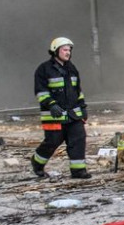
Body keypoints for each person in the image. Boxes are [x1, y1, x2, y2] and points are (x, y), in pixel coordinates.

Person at [31, 37, 91, 179]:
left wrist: (83, 107)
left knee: (78, 139)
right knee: (53, 142)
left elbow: (78, 91)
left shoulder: (72, 68)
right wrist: (51, 105)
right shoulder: (44, 69)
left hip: (73, 114)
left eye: (69, 50)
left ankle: (78, 171)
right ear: (55, 51)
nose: (68, 52)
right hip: (54, 115)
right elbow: (41, 92)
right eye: (64, 49)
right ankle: (37, 162)